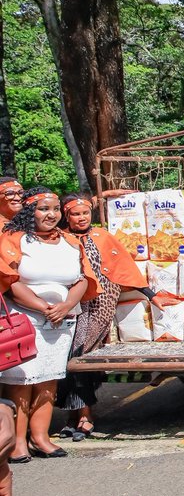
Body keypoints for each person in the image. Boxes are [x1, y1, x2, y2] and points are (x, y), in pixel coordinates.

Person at [56, 194, 180, 439]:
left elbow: (123, 267)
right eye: (75, 214)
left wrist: (151, 295)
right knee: (68, 359)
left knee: (78, 356)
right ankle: (76, 415)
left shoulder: (102, 236)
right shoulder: (61, 239)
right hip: (69, 304)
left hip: (100, 305)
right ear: (66, 216)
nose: (81, 218)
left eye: (84, 213)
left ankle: (84, 416)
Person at [0, 187, 98, 461]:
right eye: (44, 209)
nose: (51, 214)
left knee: (49, 379)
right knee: (21, 381)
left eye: (55, 209)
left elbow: (83, 279)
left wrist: (65, 306)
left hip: (61, 321)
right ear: (31, 210)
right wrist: (43, 307)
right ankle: (18, 442)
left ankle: (41, 437)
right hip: (25, 318)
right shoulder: (14, 239)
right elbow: (10, 279)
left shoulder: (69, 241)